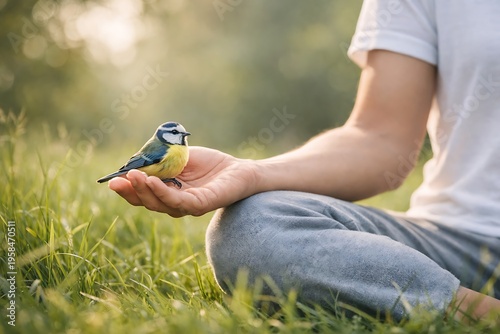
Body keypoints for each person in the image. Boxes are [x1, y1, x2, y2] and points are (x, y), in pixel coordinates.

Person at [108, 0, 500, 322]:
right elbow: (381, 140)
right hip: (460, 241)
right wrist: (254, 173)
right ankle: (473, 310)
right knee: (251, 227)